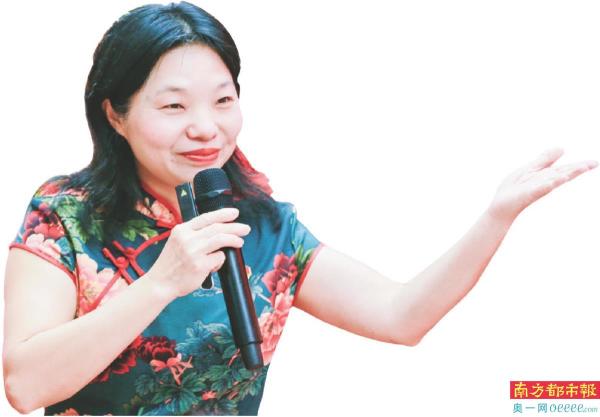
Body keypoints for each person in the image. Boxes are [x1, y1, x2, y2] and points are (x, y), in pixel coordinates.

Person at [2, 1, 597, 416]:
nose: (206, 127)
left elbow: (400, 316)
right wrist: (160, 283)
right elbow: (25, 386)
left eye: (223, 100)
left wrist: (495, 217)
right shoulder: (65, 216)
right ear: (115, 114)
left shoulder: (264, 225)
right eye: (174, 107)